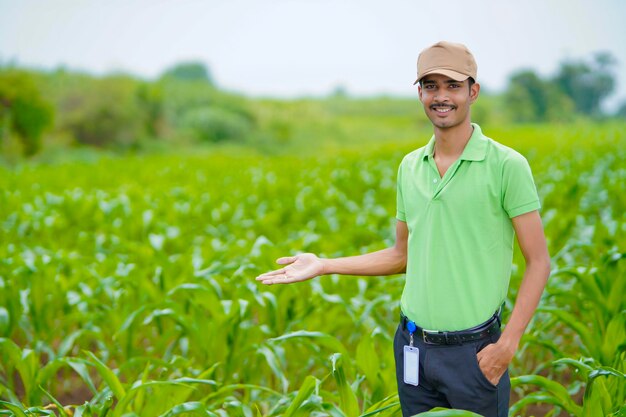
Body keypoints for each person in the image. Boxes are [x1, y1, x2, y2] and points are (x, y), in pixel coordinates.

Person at [255, 41, 550, 417]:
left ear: (473, 91)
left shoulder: (507, 165)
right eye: (430, 86)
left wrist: (506, 347)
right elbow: (401, 255)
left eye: (452, 85)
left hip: (475, 354)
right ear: (420, 93)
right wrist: (325, 264)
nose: (441, 96)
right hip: (413, 349)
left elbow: (538, 261)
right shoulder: (410, 167)